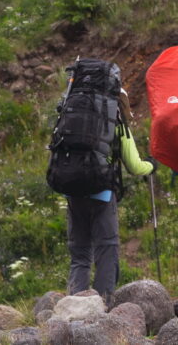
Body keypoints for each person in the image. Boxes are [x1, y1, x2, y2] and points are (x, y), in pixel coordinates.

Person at [64, 82, 154, 304]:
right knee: (107, 249)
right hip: (102, 195)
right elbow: (134, 166)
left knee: (80, 254)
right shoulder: (115, 123)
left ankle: (76, 305)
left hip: (73, 193)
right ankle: (103, 305)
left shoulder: (70, 118)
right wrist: (151, 166)